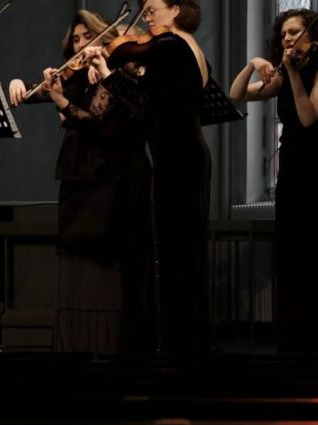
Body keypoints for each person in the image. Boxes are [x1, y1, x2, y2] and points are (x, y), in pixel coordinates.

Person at [9, 11, 153, 354]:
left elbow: (95, 119)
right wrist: (19, 84)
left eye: (88, 36)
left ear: (105, 37)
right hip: (80, 177)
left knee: (105, 260)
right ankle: (77, 342)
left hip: (110, 177)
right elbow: (36, 94)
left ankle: (109, 342)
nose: (81, 44)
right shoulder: (78, 76)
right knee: (78, 260)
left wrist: (63, 99)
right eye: (76, 39)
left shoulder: (119, 74)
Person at [91, 0, 212, 354]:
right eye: (143, 7)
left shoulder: (169, 46)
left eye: (153, 6)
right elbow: (162, 95)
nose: (145, 14)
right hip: (188, 153)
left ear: (176, 9)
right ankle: (187, 342)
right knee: (186, 251)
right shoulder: (188, 47)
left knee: (174, 254)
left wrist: (110, 73)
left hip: (176, 157)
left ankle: (175, 347)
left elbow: (143, 107)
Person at [229, 8, 318, 352]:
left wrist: (292, 73)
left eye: (294, 31)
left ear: (315, 38)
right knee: (292, 255)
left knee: (317, 254)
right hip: (293, 170)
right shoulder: (284, 74)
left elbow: (308, 118)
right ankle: (291, 339)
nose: (287, 38)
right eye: (283, 34)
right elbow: (237, 93)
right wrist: (253, 64)